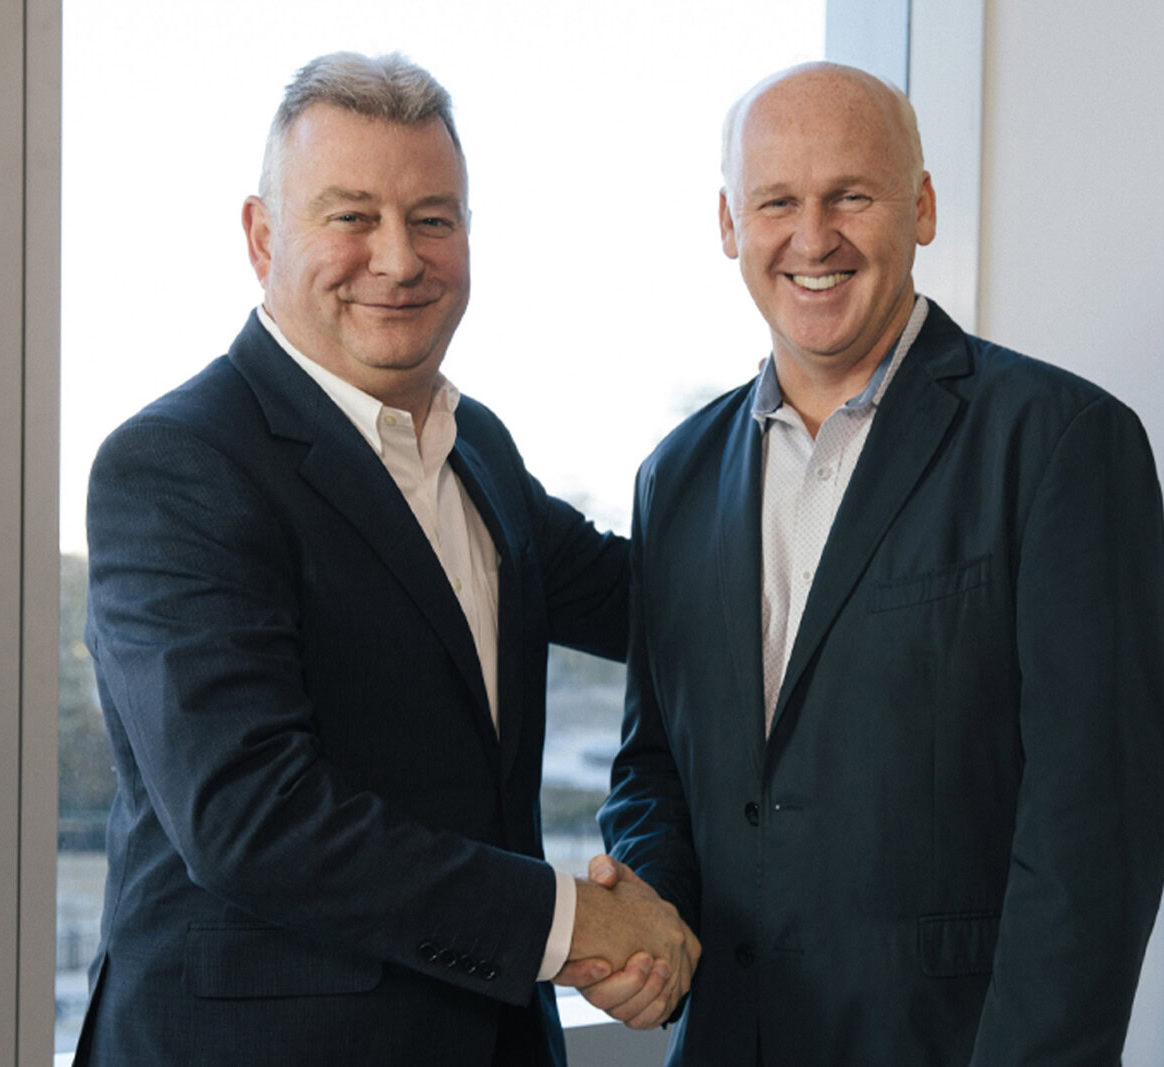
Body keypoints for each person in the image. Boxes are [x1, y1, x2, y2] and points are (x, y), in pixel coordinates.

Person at [75, 51, 697, 1066]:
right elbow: (252, 817)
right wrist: (570, 920)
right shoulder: (178, 463)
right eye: (351, 216)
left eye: (433, 218)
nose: (399, 259)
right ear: (262, 236)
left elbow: (658, 606)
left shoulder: (474, 443)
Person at [593, 62, 1164, 1063]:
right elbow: (655, 764)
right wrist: (653, 911)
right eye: (776, 201)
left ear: (922, 208)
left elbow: (1097, 830)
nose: (813, 237)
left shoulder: (1060, 443)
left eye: (850, 196)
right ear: (729, 224)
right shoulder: (673, 478)